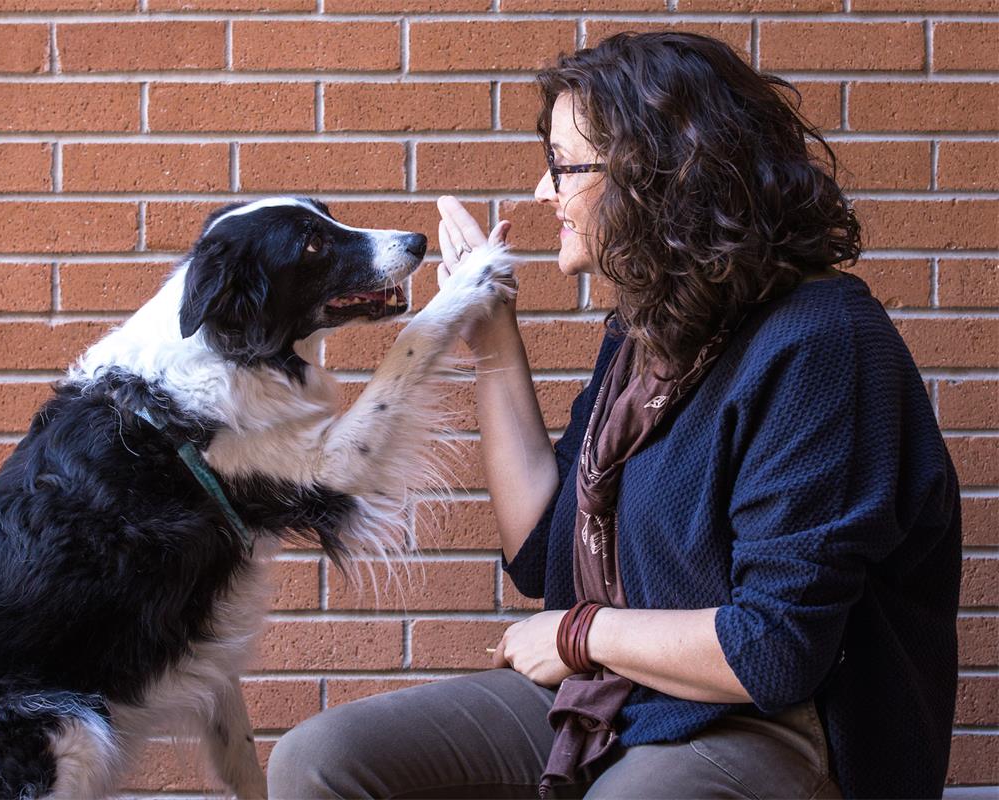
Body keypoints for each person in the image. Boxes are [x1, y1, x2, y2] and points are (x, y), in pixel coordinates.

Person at [266, 32, 961, 800]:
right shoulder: (648, 334)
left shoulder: (823, 346)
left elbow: (774, 651)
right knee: (319, 759)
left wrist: (576, 634)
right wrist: (492, 325)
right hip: (610, 695)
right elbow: (540, 553)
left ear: (656, 174)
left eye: (563, 166)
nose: (542, 192)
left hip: (774, 722)